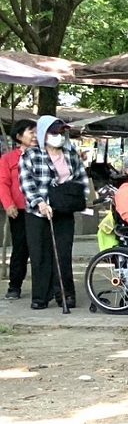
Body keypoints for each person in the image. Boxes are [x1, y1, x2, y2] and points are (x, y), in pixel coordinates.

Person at [19, 116, 89, 311]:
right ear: (43, 134)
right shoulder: (31, 155)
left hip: (64, 210)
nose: (58, 135)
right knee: (40, 255)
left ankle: (65, 295)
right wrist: (40, 203)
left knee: (63, 254)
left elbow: (81, 179)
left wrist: (78, 200)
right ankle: (40, 296)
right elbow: (26, 182)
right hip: (38, 213)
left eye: (61, 132)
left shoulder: (71, 154)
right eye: (54, 132)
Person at [0, 120, 37, 300]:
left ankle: (43, 287)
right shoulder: (8, 159)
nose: (35, 136)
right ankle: (14, 286)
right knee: (20, 249)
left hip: (40, 210)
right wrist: (8, 204)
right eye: (31, 132)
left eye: (37, 132)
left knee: (40, 249)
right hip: (19, 211)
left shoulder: (44, 156)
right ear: (19, 136)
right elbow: (3, 183)